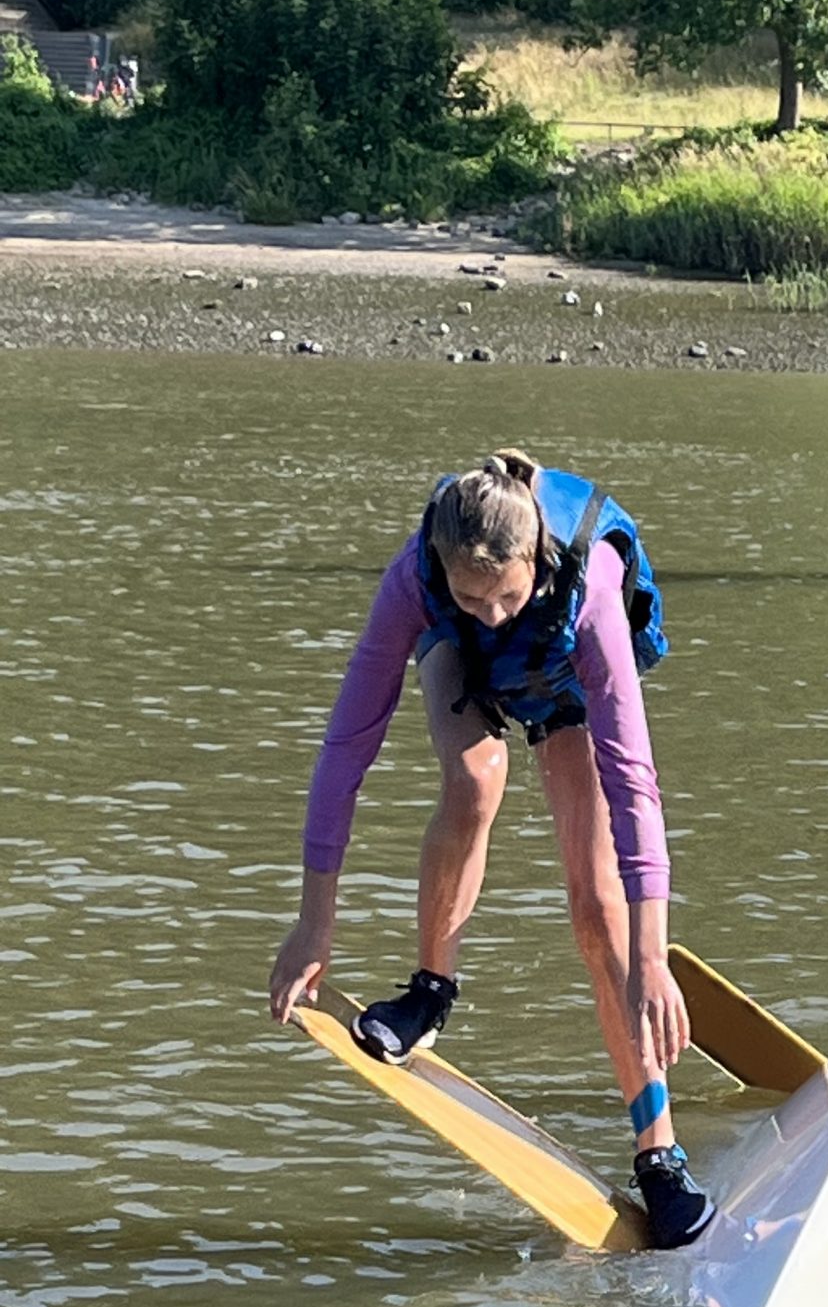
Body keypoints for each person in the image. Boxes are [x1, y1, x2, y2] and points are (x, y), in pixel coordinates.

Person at [267, 449, 712, 1248]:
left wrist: (655, 957)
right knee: (477, 775)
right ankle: (431, 990)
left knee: (596, 904)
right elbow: (346, 745)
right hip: (460, 670)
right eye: (470, 596)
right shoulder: (418, 581)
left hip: (562, 669)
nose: (490, 615)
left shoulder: (591, 593)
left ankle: (659, 1154)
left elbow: (634, 782)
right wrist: (314, 919)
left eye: (503, 595)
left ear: (536, 562)